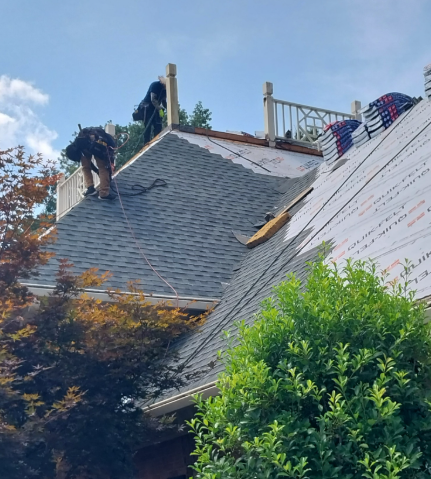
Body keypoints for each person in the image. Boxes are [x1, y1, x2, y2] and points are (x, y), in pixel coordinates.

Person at [65, 127, 116, 201]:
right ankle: (102, 193)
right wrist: (98, 171)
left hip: (98, 146)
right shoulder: (81, 142)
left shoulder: (80, 141)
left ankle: (92, 188)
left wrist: (100, 171)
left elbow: (89, 165)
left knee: (93, 168)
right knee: (102, 168)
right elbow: (91, 165)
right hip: (95, 145)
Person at [138, 76, 167, 145]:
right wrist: (160, 109)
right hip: (147, 107)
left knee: (158, 125)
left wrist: (167, 108)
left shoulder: (165, 90)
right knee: (148, 125)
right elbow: (153, 99)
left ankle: (157, 140)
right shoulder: (155, 85)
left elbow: (163, 101)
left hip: (155, 108)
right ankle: (146, 143)